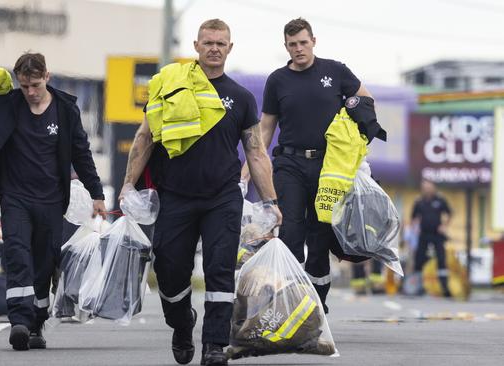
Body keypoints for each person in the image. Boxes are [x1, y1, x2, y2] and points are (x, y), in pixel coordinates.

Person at [120, 19, 281, 366]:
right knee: (169, 270)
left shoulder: (239, 97)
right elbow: (145, 137)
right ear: (195, 45)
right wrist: (128, 185)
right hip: (175, 195)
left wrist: (270, 201)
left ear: (230, 48)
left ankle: (214, 346)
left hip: (222, 197)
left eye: (221, 43)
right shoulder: (171, 85)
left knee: (220, 270)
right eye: (208, 42)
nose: (214, 48)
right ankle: (181, 325)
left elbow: (255, 151)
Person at [241, 17, 373, 313]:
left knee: (320, 235)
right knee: (290, 232)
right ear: (285, 46)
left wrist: (357, 147)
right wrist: (248, 169)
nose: (298, 49)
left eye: (303, 42)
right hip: (290, 163)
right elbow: (265, 128)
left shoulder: (335, 71)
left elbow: (366, 101)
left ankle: (317, 302)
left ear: (313, 41)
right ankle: (290, 296)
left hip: (329, 167)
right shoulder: (277, 80)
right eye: (292, 45)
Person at [0, 53, 106, 350]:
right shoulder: (7, 106)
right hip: (16, 198)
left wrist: (97, 194)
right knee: (17, 254)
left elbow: (81, 154)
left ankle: (36, 322)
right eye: (24, 86)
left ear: (47, 77)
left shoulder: (65, 111)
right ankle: (19, 322)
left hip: (51, 201)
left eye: (35, 85)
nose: (30, 93)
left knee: (44, 265)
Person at [411, 179, 452, 297]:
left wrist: (444, 226)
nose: (426, 189)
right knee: (419, 259)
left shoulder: (440, 200)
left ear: (433, 187)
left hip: (437, 235)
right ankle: (418, 287)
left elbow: (449, 213)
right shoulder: (419, 201)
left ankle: (444, 288)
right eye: (424, 187)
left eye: (429, 186)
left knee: (441, 259)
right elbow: (414, 217)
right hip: (424, 234)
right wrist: (415, 228)